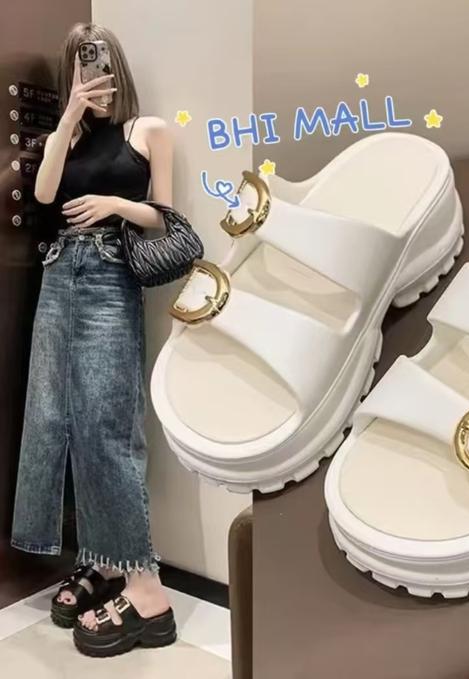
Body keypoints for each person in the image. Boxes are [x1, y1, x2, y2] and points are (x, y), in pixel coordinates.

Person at [10, 22, 176, 656]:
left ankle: (148, 590)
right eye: (80, 66)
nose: (92, 74)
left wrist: (113, 203)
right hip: (59, 275)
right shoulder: (69, 135)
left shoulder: (149, 131)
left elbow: (164, 216)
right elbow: (44, 192)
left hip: (109, 274)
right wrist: (68, 116)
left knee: (107, 427)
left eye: (99, 62)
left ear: (116, 65)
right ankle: (104, 561)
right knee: (53, 418)